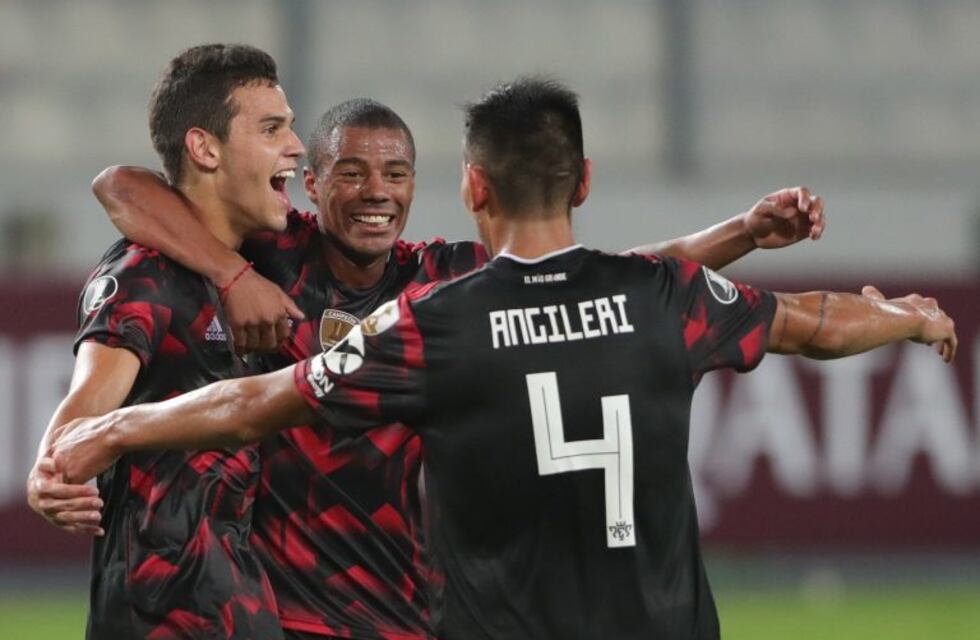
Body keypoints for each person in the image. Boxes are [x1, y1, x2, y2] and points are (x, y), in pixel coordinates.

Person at [47, 77, 956, 639]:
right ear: (310, 189)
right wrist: (231, 275)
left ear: (457, 185)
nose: (377, 194)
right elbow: (119, 185)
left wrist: (744, 233)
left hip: (418, 615)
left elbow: (598, 277)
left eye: (397, 174)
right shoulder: (276, 259)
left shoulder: (439, 298)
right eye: (352, 174)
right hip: (301, 616)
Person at [27, 43, 306, 639]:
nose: (296, 145)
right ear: (205, 148)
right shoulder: (144, 276)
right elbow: (74, 432)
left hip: (238, 602)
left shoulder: (263, 258)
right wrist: (50, 473)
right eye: (271, 128)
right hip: (164, 613)